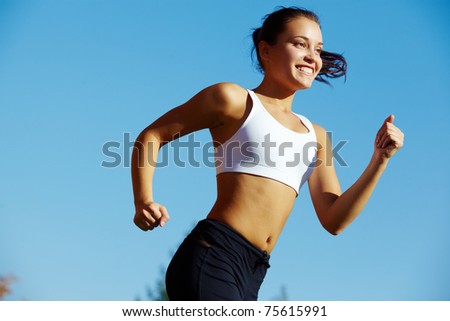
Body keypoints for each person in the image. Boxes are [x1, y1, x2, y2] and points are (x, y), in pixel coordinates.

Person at [131, 6, 404, 300]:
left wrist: (379, 161)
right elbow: (152, 135)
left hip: (254, 273)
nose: (313, 56)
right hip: (215, 256)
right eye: (300, 44)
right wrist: (144, 200)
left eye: (318, 49)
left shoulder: (317, 136)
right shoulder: (234, 100)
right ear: (266, 50)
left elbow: (333, 220)